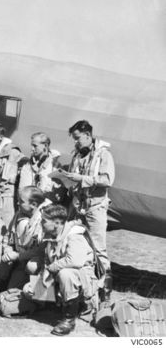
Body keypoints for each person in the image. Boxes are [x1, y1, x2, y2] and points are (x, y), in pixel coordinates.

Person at [66, 120, 115, 299]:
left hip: (95, 208)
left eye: (78, 138)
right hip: (78, 207)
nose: (76, 142)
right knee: (74, 243)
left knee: (98, 248)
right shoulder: (78, 155)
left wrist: (82, 178)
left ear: (88, 135)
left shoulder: (104, 155)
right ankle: (83, 288)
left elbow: (107, 180)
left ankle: (105, 292)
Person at [38, 204, 98, 336]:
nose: (41, 223)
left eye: (44, 221)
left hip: (82, 279)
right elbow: (47, 259)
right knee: (29, 291)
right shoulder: (51, 235)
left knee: (66, 274)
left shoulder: (74, 235)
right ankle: (58, 303)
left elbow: (74, 261)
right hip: (59, 277)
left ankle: (69, 319)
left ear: (57, 223)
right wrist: (44, 274)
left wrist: (51, 268)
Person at [0, 186, 50, 290]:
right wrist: (8, 250)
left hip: (40, 263)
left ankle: (42, 296)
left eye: (21, 201)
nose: (17, 203)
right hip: (21, 261)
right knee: (10, 292)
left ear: (33, 205)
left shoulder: (47, 219)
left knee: (32, 267)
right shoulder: (19, 214)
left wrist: (17, 256)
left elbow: (41, 251)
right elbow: (8, 237)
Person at [18, 132, 65, 203]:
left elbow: (55, 195)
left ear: (45, 146)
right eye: (31, 145)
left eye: (35, 146)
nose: (32, 149)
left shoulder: (54, 166)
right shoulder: (27, 165)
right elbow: (22, 190)